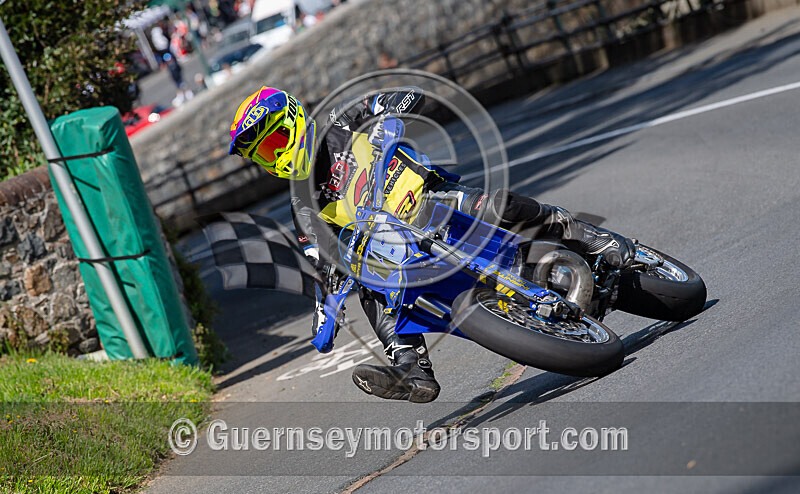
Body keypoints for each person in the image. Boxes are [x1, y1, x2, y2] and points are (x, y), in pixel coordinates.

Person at [228, 87, 635, 403]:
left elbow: (394, 99)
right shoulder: (302, 202)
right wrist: (326, 305)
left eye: (272, 141)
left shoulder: (339, 119)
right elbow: (321, 257)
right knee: (367, 282)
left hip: (427, 197)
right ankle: (410, 368)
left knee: (492, 204)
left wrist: (392, 109)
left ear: (293, 120)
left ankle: (586, 236)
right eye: (262, 154)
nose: (273, 156)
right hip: (394, 245)